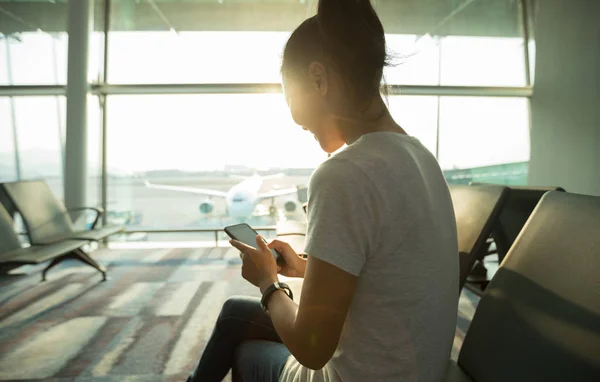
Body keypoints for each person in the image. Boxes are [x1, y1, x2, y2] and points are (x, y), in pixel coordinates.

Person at [187, 0, 459, 380]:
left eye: (290, 98)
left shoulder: (346, 174)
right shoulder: (420, 157)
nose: (296, 120)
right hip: (416, 369)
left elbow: (312, 349)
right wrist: (303, 268)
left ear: (319, 79)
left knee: (244, 341)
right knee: (235, 312)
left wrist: (269, 282)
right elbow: (393, 268)